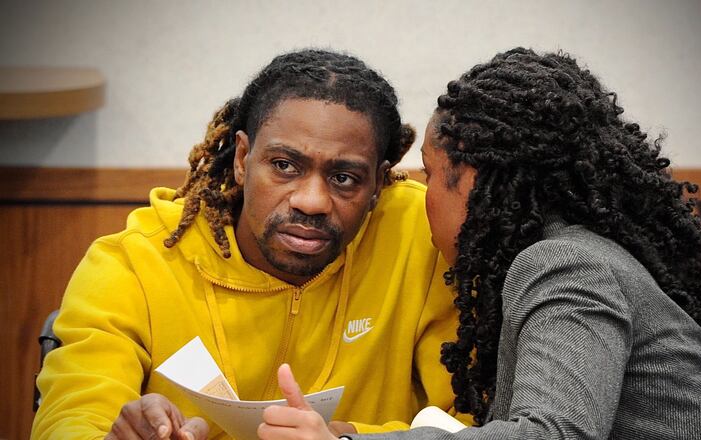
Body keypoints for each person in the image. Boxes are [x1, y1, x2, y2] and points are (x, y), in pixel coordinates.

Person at [257, 48, 701, 440]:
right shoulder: (575, 256)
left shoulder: (562, 264)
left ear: (475, 182)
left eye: (431, 175)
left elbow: (553, 434)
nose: (418, 196)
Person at [31, 49, 468, 439]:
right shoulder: (135, 261)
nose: (311, 201)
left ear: (377, 183)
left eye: (344, 178)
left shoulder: (424, 240)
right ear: (243, 158)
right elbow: (69, 416)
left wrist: (343, 437)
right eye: (283, 165)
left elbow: (470, 422)